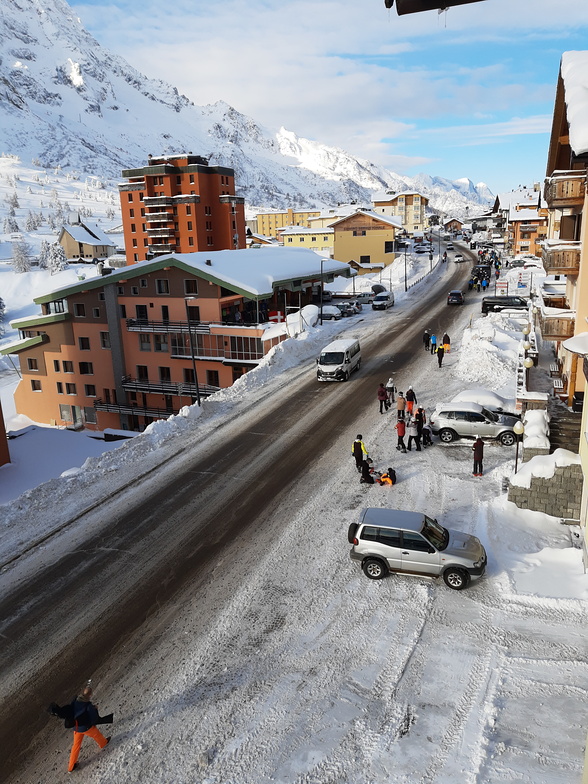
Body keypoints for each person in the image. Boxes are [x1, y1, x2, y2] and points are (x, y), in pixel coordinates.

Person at [67, 685, 111, 773]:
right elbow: (94, 718)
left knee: (76, 745)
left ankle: (71, 766)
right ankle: (103, 743)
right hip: (85, 728)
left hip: (76, 728)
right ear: (90, 696)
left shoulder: (75, 701)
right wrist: (95, 709)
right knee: (96, 734)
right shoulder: (88, 705)